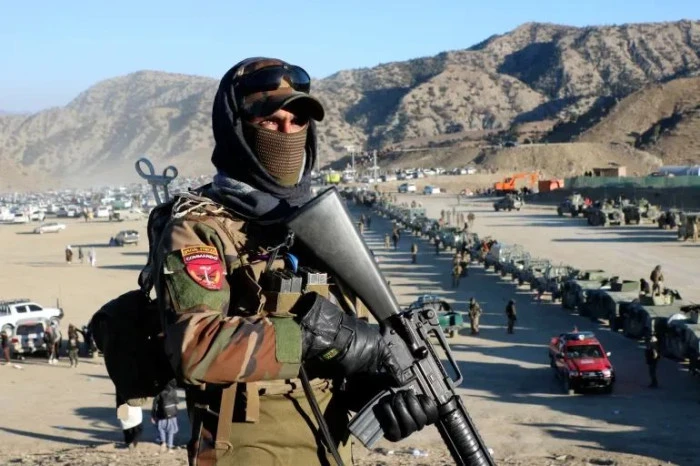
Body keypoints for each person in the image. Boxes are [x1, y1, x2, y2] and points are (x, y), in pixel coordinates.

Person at [150, 57, 436, 465]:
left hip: (328, 445)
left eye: (297, 120)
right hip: (244, 449)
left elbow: (344, 347)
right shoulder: (200, 226)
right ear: (236, 128)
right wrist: (312, 337)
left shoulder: (319, 226)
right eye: (270, 121)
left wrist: (380, 392)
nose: (287, 132)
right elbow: (194, 347)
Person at [151, 379, 179, 453]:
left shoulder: (159, 392)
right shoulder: (173, 391)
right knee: (171, 431)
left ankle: (163, 443)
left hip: (162, 415)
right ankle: (170, 447)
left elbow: (154, 404)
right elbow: (177, 402)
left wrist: (153, 415)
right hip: (172, 414)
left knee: (161, 429)